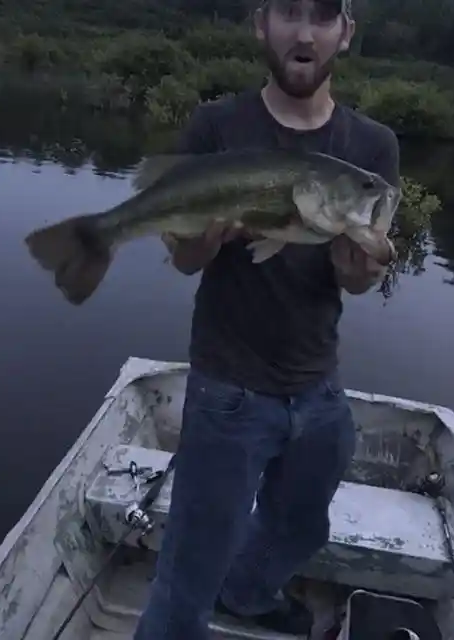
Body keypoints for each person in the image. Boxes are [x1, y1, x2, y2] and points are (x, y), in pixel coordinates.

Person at [133, 0, 400, 638]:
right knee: (187, 580)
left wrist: (362, 272)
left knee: (302, 524)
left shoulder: (372, 149)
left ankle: (250, 593)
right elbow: (183, 260)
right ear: (261, 24)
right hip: (228, 390)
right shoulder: (216, 125)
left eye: (324, 16)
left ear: (346, 33)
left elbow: (355, 278)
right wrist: (195, 244)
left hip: (318, 386)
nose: (304, 31)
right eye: (288, 12)